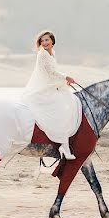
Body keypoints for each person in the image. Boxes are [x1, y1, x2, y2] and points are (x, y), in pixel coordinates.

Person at [21, 30, 82, 160]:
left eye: (47, 40)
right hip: (44, 87)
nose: (44, 43)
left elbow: (54, 72)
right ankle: (63, 146)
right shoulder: (42, 55)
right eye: (42, 41)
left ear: (52, 41)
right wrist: (66, 77)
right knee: (60, 109)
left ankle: (66, 142)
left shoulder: (52, 53)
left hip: (50, 85)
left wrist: (64, 80)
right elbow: (50, 72)